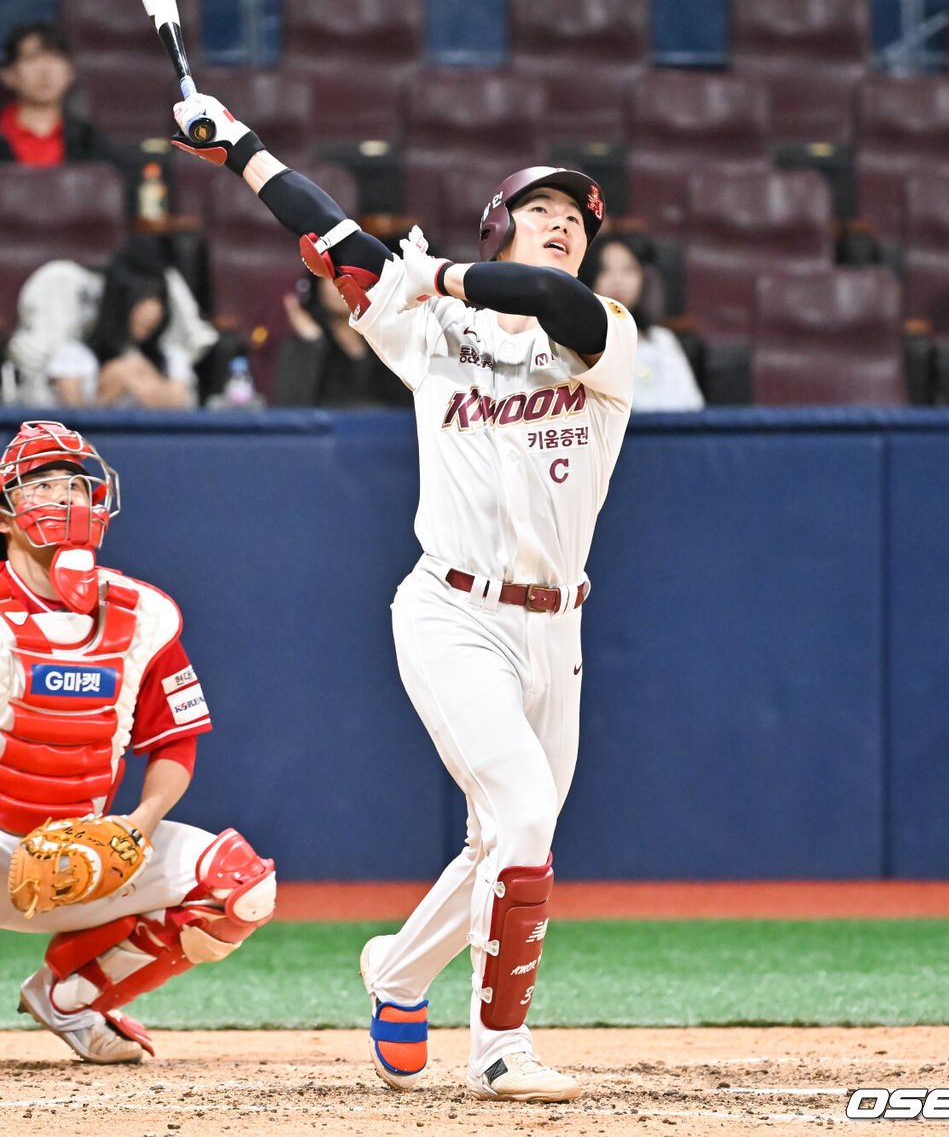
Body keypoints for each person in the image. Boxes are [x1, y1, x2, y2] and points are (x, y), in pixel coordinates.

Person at [171, 88, 636, 1102]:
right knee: (516, 811)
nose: (563, 226)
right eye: (541, 210)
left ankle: (395, 969)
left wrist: (447, 273)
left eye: (577, 221)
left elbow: (547, 303)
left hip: (558, 628)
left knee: (506, 838)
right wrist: (237, 145)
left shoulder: (603, 330)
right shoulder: (433, 331)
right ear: (499, 223)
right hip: (452, 610)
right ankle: (502, 1045)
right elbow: (328, 234)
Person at [0, 419, 276, 1063]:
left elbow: (175, 744)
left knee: (240, 886)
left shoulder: (143, 613)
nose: (66, 499)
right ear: (7, 516)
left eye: (77, 485)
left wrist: (139, 824)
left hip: (85, 855)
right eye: (44, 488)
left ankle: (69, 998)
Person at [7, 236, 218, 408]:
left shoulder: (172, 357)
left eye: (159, 299)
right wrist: (110, 389)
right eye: (144, 297)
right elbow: (71, 417)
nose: (153, 311)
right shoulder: (73, 355)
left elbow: (181, 406)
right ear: (120, 300)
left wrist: (137, 376)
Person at [580, 232, 704, 412]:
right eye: (605, 270)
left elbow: (692, 408)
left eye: (628, 270)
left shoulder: (662, 340)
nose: (617, 281)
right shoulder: (577, 343)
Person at [275, 274, 411, 409]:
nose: (341, 286)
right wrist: (313, 342)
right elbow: (292, 409)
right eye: (332, 278)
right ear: (316, 286)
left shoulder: (383, 338)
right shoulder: (301, 344)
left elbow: (405, 403)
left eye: (351, 277)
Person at [0, 22, 118, 168]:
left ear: (70, 72)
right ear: (8, 74)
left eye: (55, 58)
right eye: (31, 58)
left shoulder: (88, 139)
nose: (44, 71)